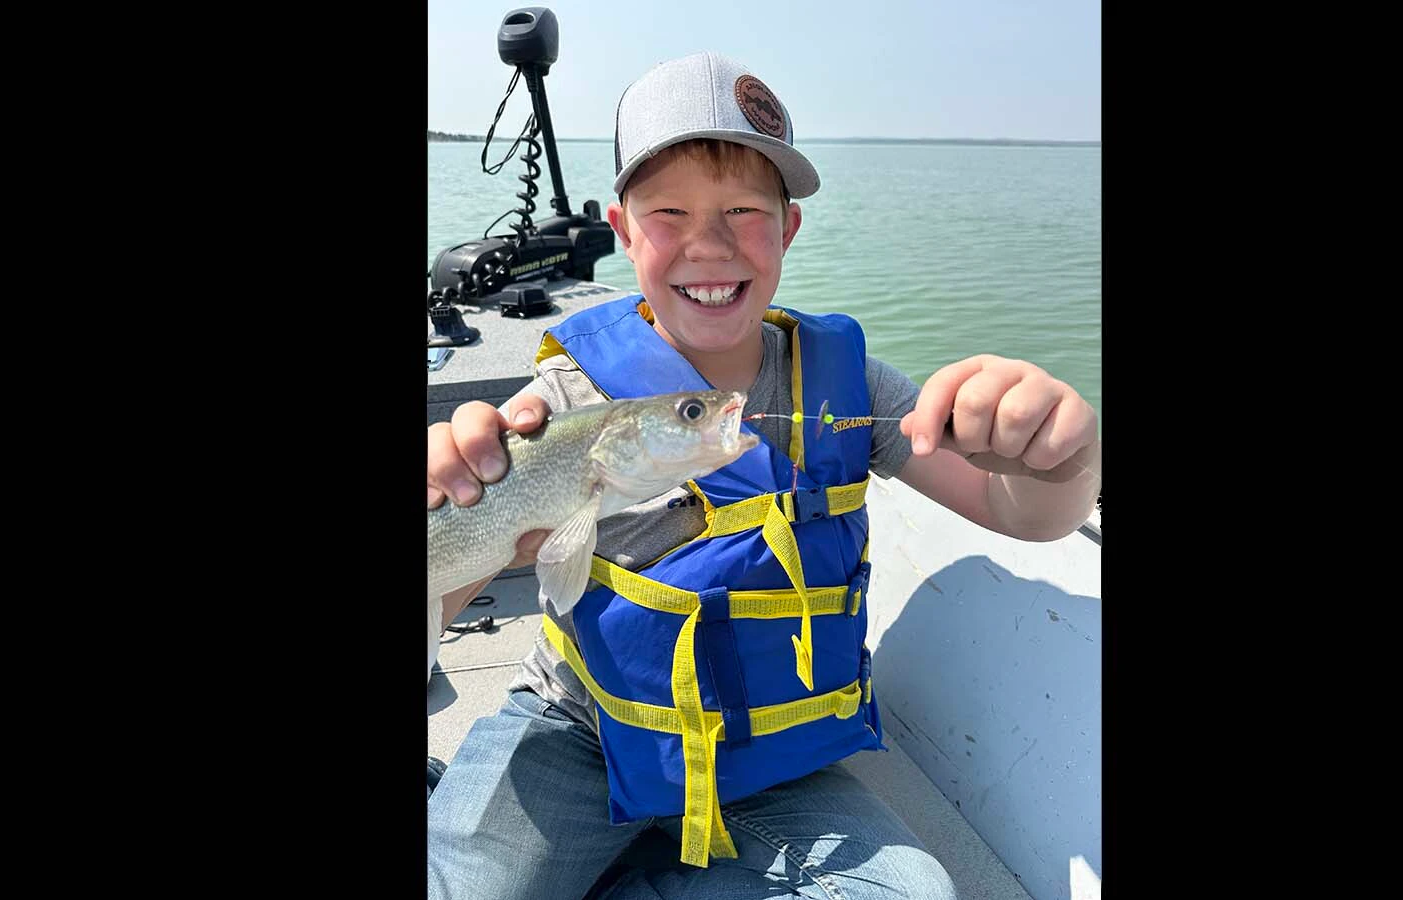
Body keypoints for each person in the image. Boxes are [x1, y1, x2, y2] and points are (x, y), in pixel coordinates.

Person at [425, 52, 1100, 900]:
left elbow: (1024, 514)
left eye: (744, 209)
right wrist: (452, 501)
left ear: (787, 229)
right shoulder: (556, 409)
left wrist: (1061, 456)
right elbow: (449, 588)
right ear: (623, 231)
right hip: (580, 728)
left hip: (764, 756)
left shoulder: (853, 386)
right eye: (668, 212)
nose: (709, 243)